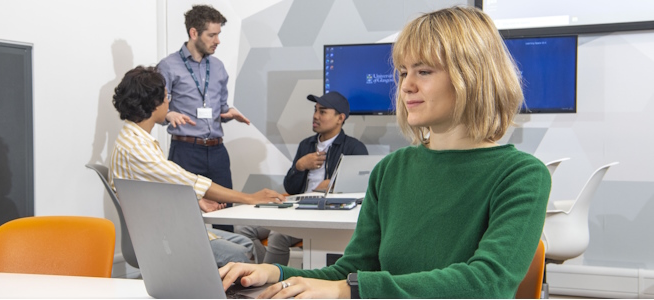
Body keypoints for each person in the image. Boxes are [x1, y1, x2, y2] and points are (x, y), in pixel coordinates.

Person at [218, 6, 551, 298]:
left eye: (424, 71)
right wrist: (277, 275)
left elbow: (487, 285)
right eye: (404, 72)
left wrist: (348, 290)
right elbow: (350, 273)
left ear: (472, 75)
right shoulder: (391, 170)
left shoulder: (521, 175)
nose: (406, 85)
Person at [108, 66, 285, 267]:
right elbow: (188, 179)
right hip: (162, 235)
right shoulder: (137, 147)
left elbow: (160, 183)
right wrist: (249, 198)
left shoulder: (131, 138)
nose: (169, 101)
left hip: (163, 225)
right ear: (154, 103)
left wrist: (195, 198)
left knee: (246, 244)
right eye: (167, 96)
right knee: (239, 255)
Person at [235, 92, 368, 264]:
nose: (315, 116)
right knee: (242, 228)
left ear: (340, 118)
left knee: (278, 234)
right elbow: (291, 188)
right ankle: (260, 272)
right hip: (297, 205)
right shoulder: (306, 144)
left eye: (322, 112)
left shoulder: (354, 148)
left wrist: (333, 186)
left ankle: (270, 281)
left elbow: (361, 189)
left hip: (325, 212)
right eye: (315, 110)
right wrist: (300, 166)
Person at [156, 4, 245, 232]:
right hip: (185, 152)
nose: (217, 41)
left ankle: (227, 265)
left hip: (217, 153)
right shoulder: (167, 66)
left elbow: (220, 107)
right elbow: (155, 109)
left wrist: (228, 113)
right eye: (212, 35)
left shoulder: (218, 67)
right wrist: (168, 114)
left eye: (218, 35)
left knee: (225, 217)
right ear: (194, 33)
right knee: (185, 218)